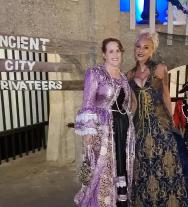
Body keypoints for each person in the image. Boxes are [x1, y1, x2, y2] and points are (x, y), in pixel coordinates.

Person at [128, 29, 188, 207]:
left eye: (145, 47)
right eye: (138, 46)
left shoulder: (161, 68)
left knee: (168, 167)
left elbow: (166, 96)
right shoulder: (130, 74)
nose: (140, 50)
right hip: (140, 128)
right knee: (143, 170)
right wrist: (128, 125)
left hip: (159, 125)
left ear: (152, 50)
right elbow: (133, 104)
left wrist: (171, 123)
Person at [74, 38, 135, 207]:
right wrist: (88, 131)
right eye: (111, 51)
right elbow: (87, 104)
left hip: (123, 129)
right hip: (103, 130)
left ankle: (119, 200)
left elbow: (125, 103)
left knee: (121, 164)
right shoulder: (95, 73)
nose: (115, 54)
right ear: (104, 54)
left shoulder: (123, 77)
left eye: (118, 50)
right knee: (102, 168)